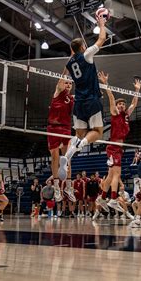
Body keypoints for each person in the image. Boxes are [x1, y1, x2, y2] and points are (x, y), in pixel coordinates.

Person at [58, 17, 107, 179]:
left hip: (78, 103)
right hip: (91, 100)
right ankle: (79, 145)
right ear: (82, 47)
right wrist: (101, 24)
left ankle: (69, 154)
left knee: (80, 134)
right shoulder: (86, 54)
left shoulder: (69, 63)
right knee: (98, 133)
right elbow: (102, 39)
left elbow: (66, 67)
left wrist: (72, 54)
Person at [96, 71, 141, 214]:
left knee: (110, 176)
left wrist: (137, 90)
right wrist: (105, 83)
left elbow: (134, 103)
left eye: (123, 104)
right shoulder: (115, 113)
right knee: (117, 174)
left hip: (119, 148)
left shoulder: (126, 115)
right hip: (113, 146)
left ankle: (102, 198)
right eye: (120, 104)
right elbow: (110, 97)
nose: (122, 105)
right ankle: (113, 199)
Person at [47, 78, 75, 200]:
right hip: (53, 128)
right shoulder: (58, 92)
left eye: (70, 83)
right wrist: (70, 62)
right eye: (66, 82)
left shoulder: (72, 98)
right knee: (55, 157)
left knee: (67, 158)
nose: (68, 85)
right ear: (62, 84)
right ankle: (57, 187)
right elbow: (60, 81)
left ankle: (68, 188)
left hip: (66, 128)